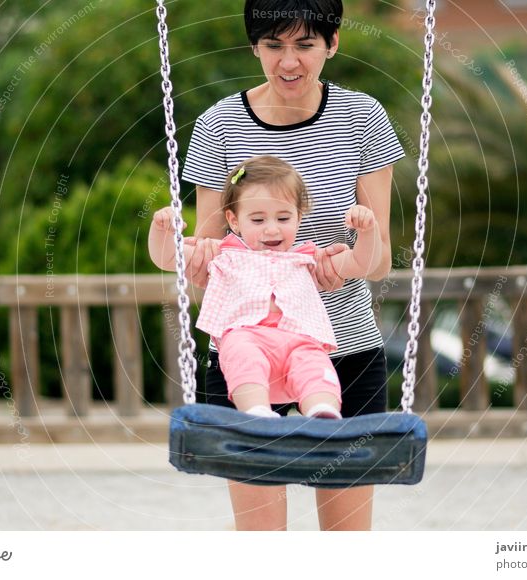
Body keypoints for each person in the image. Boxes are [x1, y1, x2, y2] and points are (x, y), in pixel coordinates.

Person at [180, 0, 405, 530]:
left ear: (332, 44)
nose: (289, 62)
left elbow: (379, 259)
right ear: (254, 47)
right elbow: (208, 255)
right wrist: (195, 268)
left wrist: (344, 265)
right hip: (245, 355)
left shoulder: (363, 118)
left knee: (346, 545)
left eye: (304, 45)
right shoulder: (219, 125)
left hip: (341, 346)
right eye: (274, 45)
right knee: (263, 544)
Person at [149, 156, 381, 421]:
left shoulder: (308, 259)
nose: (272, 229)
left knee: (314, 362)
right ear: (234, 221)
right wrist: (162, 231)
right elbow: (167, 257)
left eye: (283, 217)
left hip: (298, 342)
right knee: (241, 351)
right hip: (248, 338)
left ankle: (322, 412)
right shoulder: (222, 256)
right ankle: (257, 413)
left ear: (298, 217)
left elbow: (363, 263)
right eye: (258, 220)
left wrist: (368, 231)